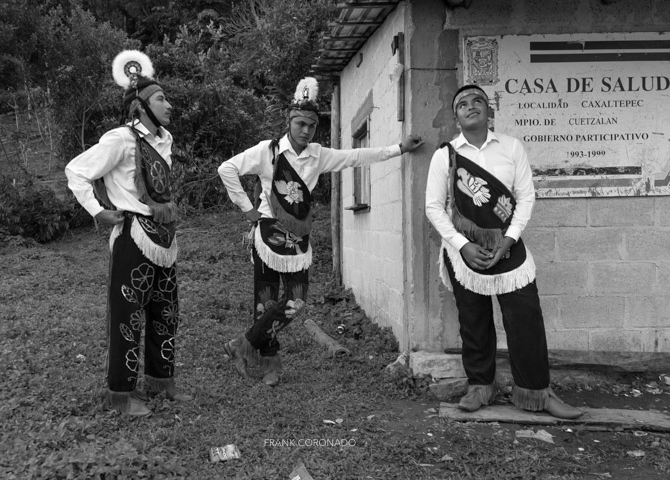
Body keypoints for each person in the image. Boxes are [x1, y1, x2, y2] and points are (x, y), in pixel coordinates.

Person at [218, 77, 423, 387]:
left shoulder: (318, 154)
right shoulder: (267, 151)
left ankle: (243, 344)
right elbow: (227, 169)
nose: (305, 130)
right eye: (300, 123)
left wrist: (398, 148)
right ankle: (270, 365)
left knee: (297, 301)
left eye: (311, 126)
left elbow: (356, 157)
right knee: (266, 300)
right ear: (289, 121)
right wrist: (248, 210)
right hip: (267, 235)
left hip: (299, 239)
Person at [424, 84, 583, 419]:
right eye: (462, 103)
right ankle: (480, 386)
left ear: (488, 110)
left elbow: (525, 197)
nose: (471, 106)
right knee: (473, 321)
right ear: (456, 117)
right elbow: (433, 208)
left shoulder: (512, 147)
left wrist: (508, 240)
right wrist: (464, 246)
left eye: (477, 101)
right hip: (463, 253)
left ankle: (536, 393)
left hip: (508, 248)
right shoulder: (446, 155)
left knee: (525, 317)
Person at [65, 50, 190, 416]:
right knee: (128, 316)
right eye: (160, 98)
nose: (169, 104)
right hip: (133, 237)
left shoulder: (163, 141)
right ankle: (120, 394)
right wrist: (98, 211)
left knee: (166, 312)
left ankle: (160, 380)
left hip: (163, 237)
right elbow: (76, 171)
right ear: (140, 107)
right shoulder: (120, 139)